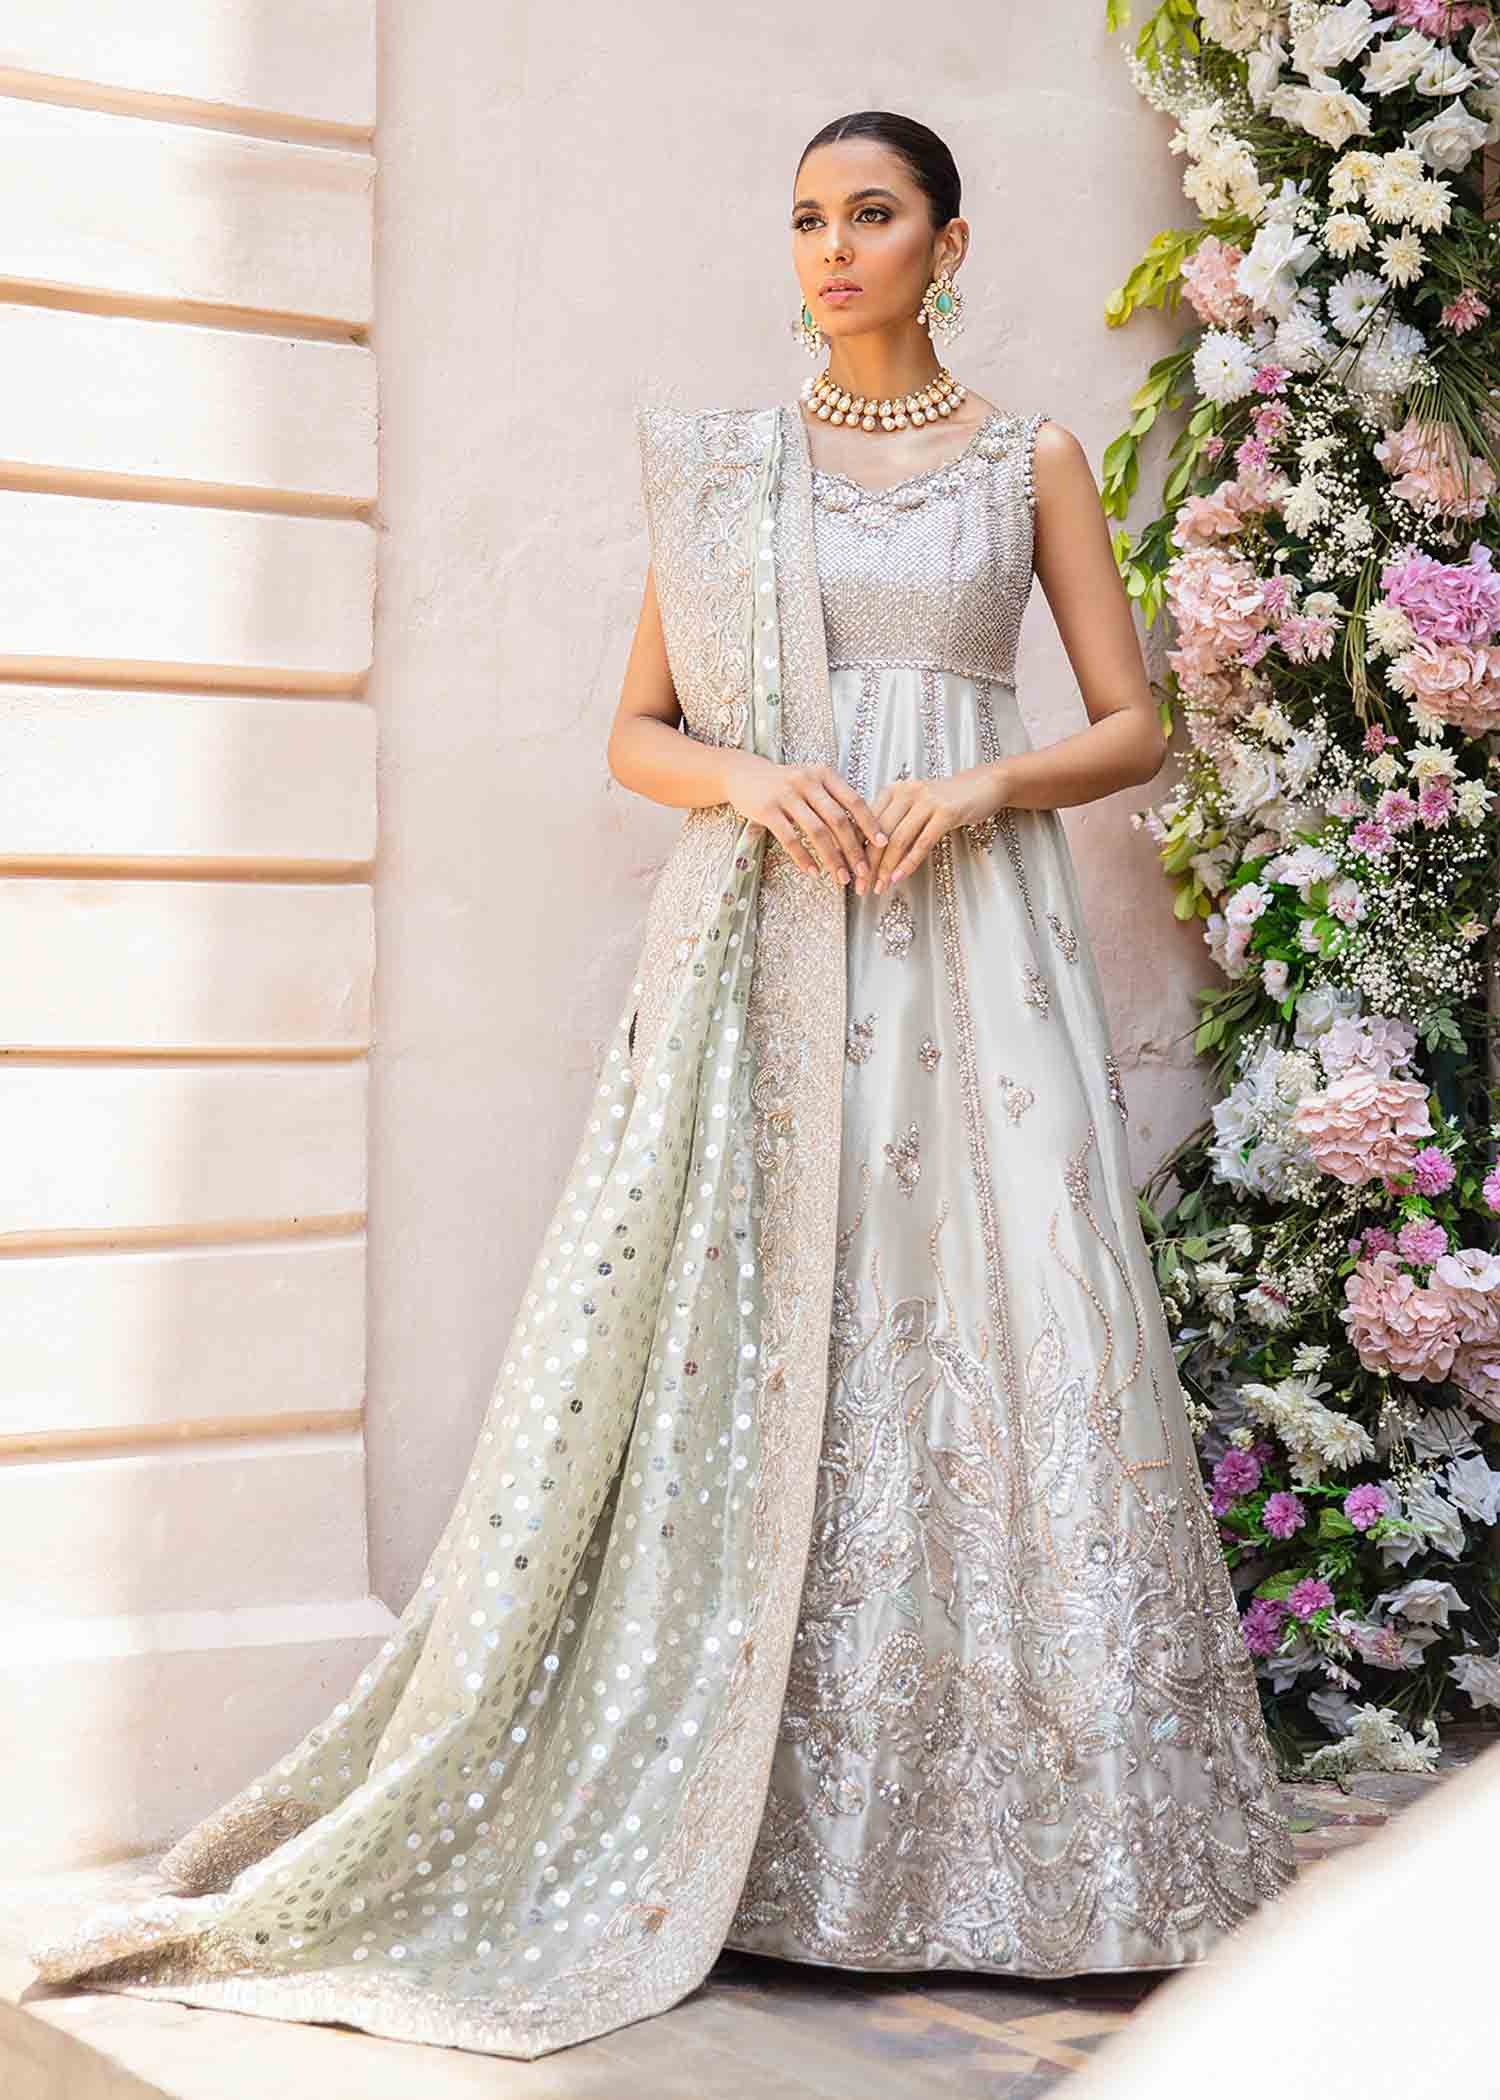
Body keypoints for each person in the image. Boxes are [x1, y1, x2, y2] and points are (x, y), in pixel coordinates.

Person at [31, 107, 1298, 2061]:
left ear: (950, 242)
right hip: (782, 943)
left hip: (981, 952)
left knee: (1012, 1332)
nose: (833, 248)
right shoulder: (729, 476)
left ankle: (1057, 1849)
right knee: (790, 1345)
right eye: (807, 218)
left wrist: (982, 777)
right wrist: (759, 778)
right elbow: (636, 734)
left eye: (872, 214)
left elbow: (1136, 727)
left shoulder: (1027, 458)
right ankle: (771, 1842)